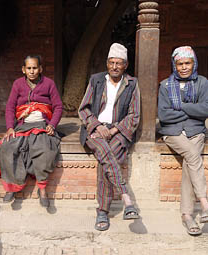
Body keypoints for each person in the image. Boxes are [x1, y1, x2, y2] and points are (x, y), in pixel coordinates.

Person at [78, 43, 140, 231]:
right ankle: (126, 199)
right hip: (94, 129)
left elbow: (134, 115)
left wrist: (113, 130)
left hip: (117, 130)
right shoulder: (96, 80)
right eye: (111, 62)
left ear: (125, 65)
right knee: (107, 153)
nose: (114, 66)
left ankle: (103, 211)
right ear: (107, 63)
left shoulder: (132, 84)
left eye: (118, 63)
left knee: (107, 158)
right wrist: (96, 125)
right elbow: (84, 109)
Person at [157, 46, 208, 235]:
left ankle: (187, 216)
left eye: (187, 63)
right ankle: (204, 202)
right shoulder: (165, 85)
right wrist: (191, 111)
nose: (183, 67)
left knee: (188, 165)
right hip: (172, 132)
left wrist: (180, 107)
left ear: (194, 63)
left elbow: (207, 109)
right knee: (192, 155)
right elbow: (164, 115)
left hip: (196, 132)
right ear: (174, 65)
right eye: (180, 64)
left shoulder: (202, 83)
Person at [0, 55, 63, 208]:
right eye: (29, 68)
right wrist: (10, 127)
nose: (32, 71)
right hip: (22, 124)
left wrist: (52, 124)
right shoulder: (18, 84)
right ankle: (12, 185)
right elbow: (10, 107)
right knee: (7, 148)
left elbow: (58, 107)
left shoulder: (49, 84)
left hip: (42, 124)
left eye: (35, 68)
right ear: (23, 70)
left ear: (40, 69)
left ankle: (42, 189)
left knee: (45, 149)